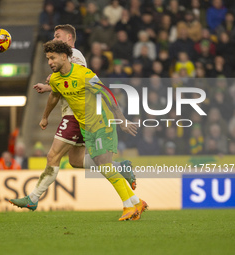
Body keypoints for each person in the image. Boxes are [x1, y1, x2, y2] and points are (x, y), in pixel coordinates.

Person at [10, 41, 147, 221]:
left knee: (105, 166)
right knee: (95, 164)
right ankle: (136, 202)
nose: (50, 62)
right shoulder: (56, 79)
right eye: (47, 59)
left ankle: (128, 206)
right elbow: (55, 95)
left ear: (65, 57)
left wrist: (121, 120)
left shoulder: (84, 74)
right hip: (86, 127)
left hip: (102, 123)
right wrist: (45, 117)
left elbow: (106, 94)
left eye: (52, 58)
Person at [33, 24, 136, 187]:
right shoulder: (64, 61)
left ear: (69, 38)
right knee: (76, 161)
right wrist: (49, 86)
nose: (54, 39)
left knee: (53, 155)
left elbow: (78, 79)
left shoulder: (74, 54)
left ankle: (34, 196)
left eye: (57, 36)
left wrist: (53, 79)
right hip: (76, 113)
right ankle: (120, 168)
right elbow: (67, 83)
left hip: (75, 113)